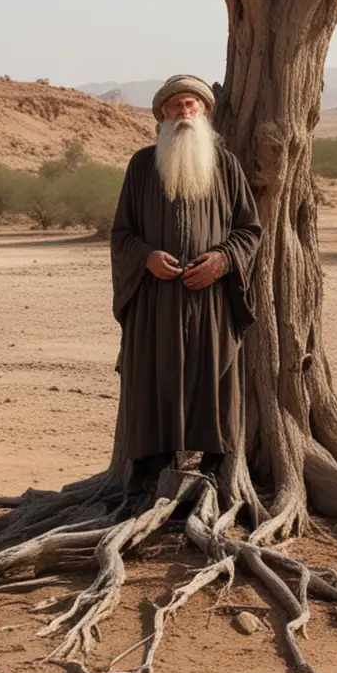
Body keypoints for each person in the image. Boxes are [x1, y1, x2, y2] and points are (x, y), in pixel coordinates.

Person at [109, 73, 262, 499]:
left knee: (212, 378)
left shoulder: (226, 166)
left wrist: (223, 260)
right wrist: (146, 258)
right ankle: (150, 482)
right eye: (175, 105)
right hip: (153, 301)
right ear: (161, 115)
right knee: (153, 379)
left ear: (205, 113)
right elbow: (121, 233)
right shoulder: (142, 165)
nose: (183, 112)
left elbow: (250, 230)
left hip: (210, 299)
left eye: (191, 104)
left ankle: (215, 477)